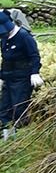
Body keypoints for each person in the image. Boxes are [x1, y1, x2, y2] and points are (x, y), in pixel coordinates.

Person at [0, 9, 41, 138]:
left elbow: (34, 56)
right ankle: (8, 137)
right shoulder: (4, 39)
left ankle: (23, 137)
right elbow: (5, 59)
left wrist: (34, 73)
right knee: (4, 109)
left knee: (19, 109)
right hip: (8, 77)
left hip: (22, 78)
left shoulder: (24, 36)